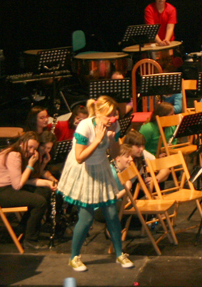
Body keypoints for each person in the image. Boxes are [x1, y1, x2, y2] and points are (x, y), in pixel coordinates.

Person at [57, 96, 134, 271]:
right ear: (98, 113)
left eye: (114, 115)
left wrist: (113, 139)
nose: (112, 119)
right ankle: (74, 257)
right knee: (86, 217)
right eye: (108, 116)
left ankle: (119, 253)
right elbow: (79, 158)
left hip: (101, 167)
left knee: (112, 214)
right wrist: (98, 139)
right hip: (84, 170)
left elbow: (115, 154)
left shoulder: (114, 125)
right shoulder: (85, 126)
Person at [0, 132, 52, 250]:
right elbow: (18, 185)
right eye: (29, 147)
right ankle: (30, 240)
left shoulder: (18, 153)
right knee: (39, 202)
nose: (31, 151)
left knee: (43, 192)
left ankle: (23, 228)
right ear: (21, 143)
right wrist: (30, 165)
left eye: (34, 148)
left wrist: (47, 183)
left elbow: (24, 180)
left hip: (8, 188)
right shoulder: (14, 155)